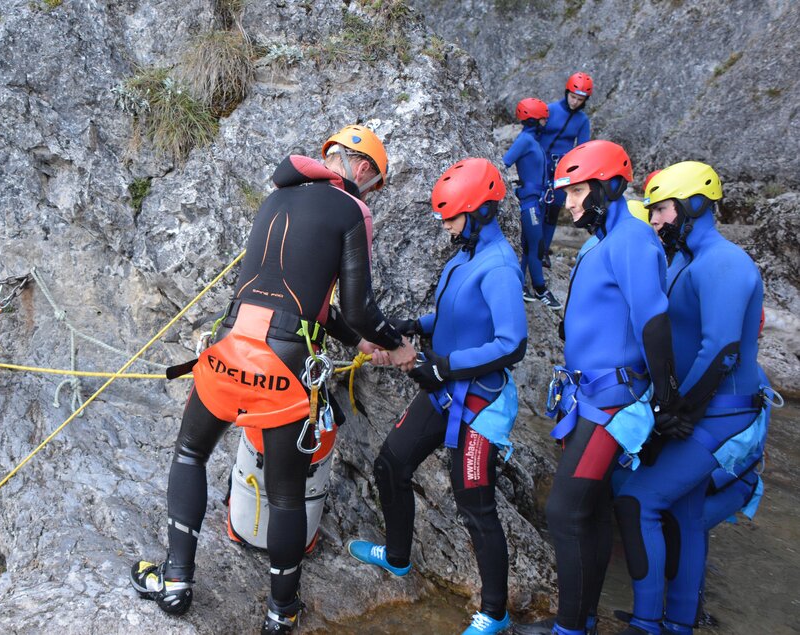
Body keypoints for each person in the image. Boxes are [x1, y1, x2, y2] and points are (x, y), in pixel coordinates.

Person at [130, 125, 416, 634]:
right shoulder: (352, 211)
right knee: (286, 495)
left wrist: (357, 341)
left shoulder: (275, 199)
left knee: (190, 454)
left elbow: (290, 296)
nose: (373, 195)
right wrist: (394, 343)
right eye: (376, 184)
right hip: (283, 367)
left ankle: (175, 582)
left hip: (227, 349)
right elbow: (358, 307)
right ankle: (280, 613)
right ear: (365, 169)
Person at [346, 158, 528, 635]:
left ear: (481, 211)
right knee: (391, 463)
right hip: (445, 388)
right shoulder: (464, 257)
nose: (446, 227)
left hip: (478, 402)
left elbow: (512, 344)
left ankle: (494, 612)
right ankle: (400, 557)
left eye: (452, 216)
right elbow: (453, 317)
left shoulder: (500, 267)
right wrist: (413, 327)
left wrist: (441, 366)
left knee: (475, 506)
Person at [513, 140, 679, 635]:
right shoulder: (607, 238)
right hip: (589, 398)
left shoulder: (630, 239)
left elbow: (653, 321)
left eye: (577, 191)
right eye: (566, 192)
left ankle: (570, 629)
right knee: (594, 508)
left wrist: (666, 397)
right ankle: (581, 619)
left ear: (607, 187)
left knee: (564, 512)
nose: (568, 203)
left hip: (612, 404)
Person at [613, 161, 770, 635]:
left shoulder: (724, 262)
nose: (655, 218)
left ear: (694, 205)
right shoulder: (687, 259)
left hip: (722, 414)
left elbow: (720, 350)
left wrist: (676, 414)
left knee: (639, 500)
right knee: (684, 513)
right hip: (707, 409)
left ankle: (647, 623)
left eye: (661, 208)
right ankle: (677, 623)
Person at [504, 97, 561, 309]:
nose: (546, 122)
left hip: (536, 200)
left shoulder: (532, 141)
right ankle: (540, 289)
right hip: (529, 201)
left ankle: (522, 285)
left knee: (529, 245)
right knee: (536, 244)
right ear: (534, 119)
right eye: (543, 119)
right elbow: (505, 162)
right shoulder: (525, 141)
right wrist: (518, 188)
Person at [539, 72, 593, 269]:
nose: (575, 102)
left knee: (553, 211)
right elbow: (535, 134)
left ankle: (543, 251)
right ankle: (532, 246)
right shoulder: (550, 110)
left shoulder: (582, 120)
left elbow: (583, 147)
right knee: (538, 207)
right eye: (573, 97)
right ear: (567, 92)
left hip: (562, 170)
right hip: (541, 165)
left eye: (580, 99)